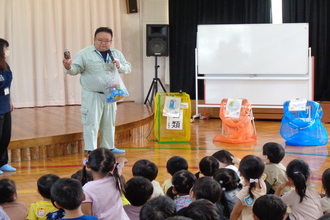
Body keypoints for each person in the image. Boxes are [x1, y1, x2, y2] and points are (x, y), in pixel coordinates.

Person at [62, 27, 131, 154]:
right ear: (94, 39)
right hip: (92, 94)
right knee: (91, 122)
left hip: (111, 93)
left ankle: (109, 147)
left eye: (107, 40)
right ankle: (91, 149)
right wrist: (68, 67)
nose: (103, 43)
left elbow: (128, 68)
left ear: (111, 41)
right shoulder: (84, 53)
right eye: (100, 40)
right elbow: (75, 69)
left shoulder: (116, 53)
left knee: (109, 122)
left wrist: (119, 65)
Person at [81, 147, 129, 220]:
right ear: (113, 168)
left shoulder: (87, 189)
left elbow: (87, 217)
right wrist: (121, 161)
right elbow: (120, 169)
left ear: (87, 165)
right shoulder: (116, 180)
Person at [230, 155, 266, 220]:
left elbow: (235, 213)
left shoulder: (244, 193)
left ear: (240, 174)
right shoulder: (262, 182)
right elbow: (254, 168)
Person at [0, 38, 16, 174]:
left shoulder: (5, 65)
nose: (7, 51)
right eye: (5, 48)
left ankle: (3, 162)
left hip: (5, 104)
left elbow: (8, 85)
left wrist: (10, 101)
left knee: (5, 135)